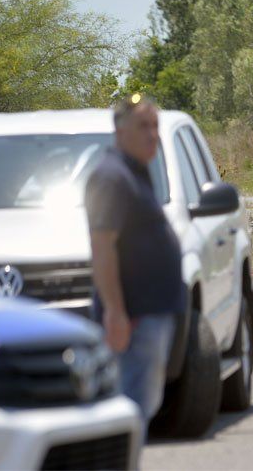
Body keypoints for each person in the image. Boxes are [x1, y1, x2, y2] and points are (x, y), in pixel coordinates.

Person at [85, 94, 187, 436]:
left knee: (139, 408)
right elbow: (102, 247)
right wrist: (115, 312)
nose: (152, 134)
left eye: (155, 126)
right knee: (128, 411)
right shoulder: (111, 177)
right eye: (143, 126)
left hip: (149, 316)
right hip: (133, 320)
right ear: (120, 130)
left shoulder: (134, 172)